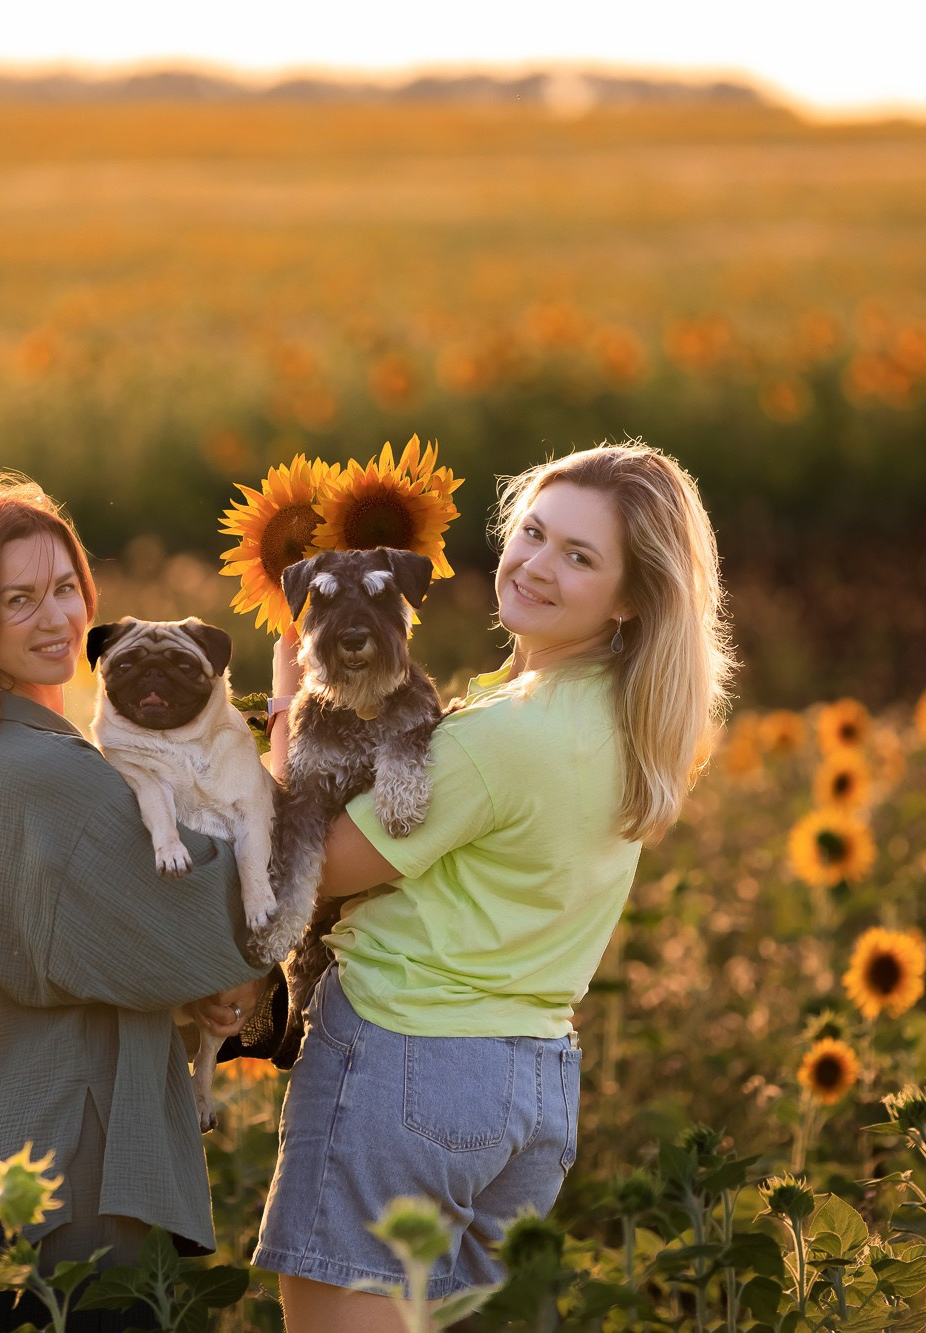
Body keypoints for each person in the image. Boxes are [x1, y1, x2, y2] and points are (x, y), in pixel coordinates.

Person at [243, 442, 736, 1328]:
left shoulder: (504, 736)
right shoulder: (625, 716)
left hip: (407, 1060)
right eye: (534, 533)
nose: (536, 564)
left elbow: (313, 868)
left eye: (578, 556)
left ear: (629, 597)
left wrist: (290, 700)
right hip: (533, 1082)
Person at [0, 474, 278, 1333]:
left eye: (65, 587)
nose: (56, 617)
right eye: (18, 599)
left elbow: (89, 945)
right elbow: (216, 910)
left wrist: (199, 985)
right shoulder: (47, 774)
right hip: (66, 1189)